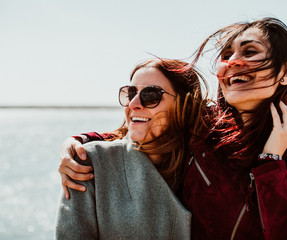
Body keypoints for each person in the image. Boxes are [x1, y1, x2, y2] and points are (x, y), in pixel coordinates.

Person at [58, 18, 287, 239]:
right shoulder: (203, 125)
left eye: (250, 51)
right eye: (226, 55)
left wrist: (272, 164)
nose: (232, 63)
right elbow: (145, 128)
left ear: (286, 73)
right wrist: (78, 144)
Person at [55, 58, 209, 239]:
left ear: (184, 105)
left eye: (151, 95)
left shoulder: (206, 167)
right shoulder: (90, 163)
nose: (133, 104)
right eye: (130, 93)